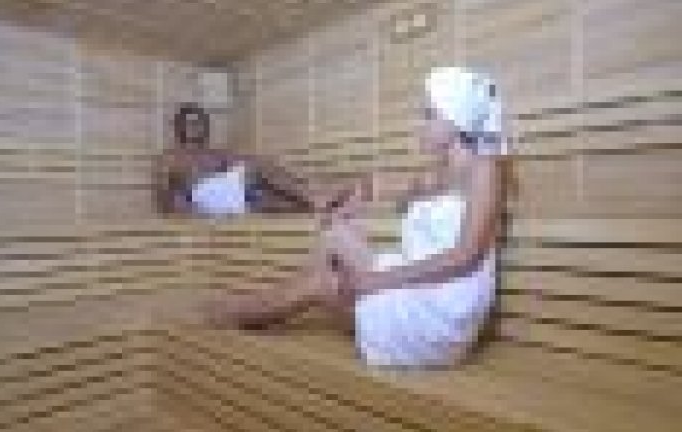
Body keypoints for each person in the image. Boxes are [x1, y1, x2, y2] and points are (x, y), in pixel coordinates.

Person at [204, 67, 509, 368]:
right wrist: (351, 196)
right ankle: (270, 307)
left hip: (441, 314)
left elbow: (466, 256)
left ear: (455, 121)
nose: (420, 124)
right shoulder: (441, 173)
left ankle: (246, 311)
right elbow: (379, 184)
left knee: (322, 283)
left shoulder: (485, 169)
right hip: (421, 288)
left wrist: (374, 281)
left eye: (429, 115)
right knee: (335, 234)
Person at [153, 103, 337, 218]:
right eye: (191, 122)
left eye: (201, 122)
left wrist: (294, 177)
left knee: (268, 196)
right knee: (255, 167)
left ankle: (322, 207)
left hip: (223, 197)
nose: (197, 127)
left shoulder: (214, 152)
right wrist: (185, 212)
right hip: (201, 198)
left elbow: (243, 162)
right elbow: (163, 196)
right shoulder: (171, 156)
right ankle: (316, 197)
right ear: (180, 126)